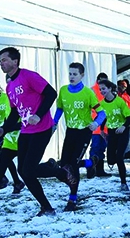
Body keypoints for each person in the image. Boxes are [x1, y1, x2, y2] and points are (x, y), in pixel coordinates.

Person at [0, 47, 77, 216]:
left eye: (4, 59)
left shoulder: (28, 76)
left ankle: (50, 198)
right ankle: (50, 196)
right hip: (26, 131)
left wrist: (38, 114)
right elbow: (14, 112)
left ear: (15, 61)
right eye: (0, 61)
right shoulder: (10, 86)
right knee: (23, 171)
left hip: (42, 129)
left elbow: (51, 93)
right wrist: (4, 129)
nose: (1, 63)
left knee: (28, 170)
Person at [45, 62, 107, 210]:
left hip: (84, 132)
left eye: (75, 74)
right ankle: (91, 163)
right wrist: (54, 124)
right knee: (64, 165)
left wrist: (96, 123)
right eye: (70, 74)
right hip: (70, 131)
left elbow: (102, 113)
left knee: (73, 165)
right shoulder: (64, 90)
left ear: (82, 75)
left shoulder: (88, 93)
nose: (72, 77)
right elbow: (60, 109)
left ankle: (72, 199)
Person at [98, 78, 130, 191]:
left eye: (103, 89)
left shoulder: (119, 101)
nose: (101, 91)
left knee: (119, 158)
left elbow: (128, 118)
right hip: (112, 132)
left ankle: (123, 183)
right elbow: (103, 117)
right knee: (111, 160)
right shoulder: (102, 104)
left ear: (109, 89)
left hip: (123, 131)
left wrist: (123, 127)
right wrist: (102, 130)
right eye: (100, 89)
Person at [0, 84, 25, 194]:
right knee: (5, 158)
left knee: (26, 168)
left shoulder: (6, 98)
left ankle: (52, 168)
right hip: (7, 137)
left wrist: (6, 128)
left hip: (19, 136)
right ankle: (16, 181)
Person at [88, 72, 109, 177]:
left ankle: (100, 170)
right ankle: (91, 170)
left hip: (105, 125)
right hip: (96, 124)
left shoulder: (108, 90)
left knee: (102, 147)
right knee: (95, 147)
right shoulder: (92, 90)